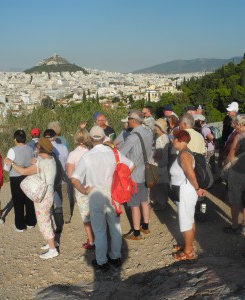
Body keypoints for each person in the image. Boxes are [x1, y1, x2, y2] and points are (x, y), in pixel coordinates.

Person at [71, 126, 134, 271]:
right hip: (113, 193)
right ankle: (115, 257)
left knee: (99, 230)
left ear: (90, 138)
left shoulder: (87, 156)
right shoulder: (114, 153)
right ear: (104, 137)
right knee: (115, 227)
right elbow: (131, 165)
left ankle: (101, 261)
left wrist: (84, 190)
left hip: (95, 194)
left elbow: (74, 179)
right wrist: (119, 180)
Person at [5, 138, 59, 259]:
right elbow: (40, 160)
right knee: (49, 216)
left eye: (37, 147)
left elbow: (24, 171)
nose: (35, 149)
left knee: (43, 220)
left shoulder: (43, 163)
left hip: (43, 194)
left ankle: (52, 249)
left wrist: (11, 163)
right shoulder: (51, 159)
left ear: (41, 149)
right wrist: (37, 160)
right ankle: (52, 241)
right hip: (49, 192)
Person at [170, 130, 205, 260]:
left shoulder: (184, 155)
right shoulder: (184, 152)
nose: (172, 141)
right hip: (184, 191)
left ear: (180, 140)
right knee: (189, 220)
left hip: (185, 191)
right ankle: (187, 245)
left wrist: (197, 188)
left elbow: (190, 174)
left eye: (174, 139)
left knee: (185, 222)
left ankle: (188, 252)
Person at [120, 110, 153, 241]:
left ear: (133, 120)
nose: (127, 122)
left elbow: (121, 154)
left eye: (128, 119)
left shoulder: (132, 137)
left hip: (134, 175)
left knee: (134, 205)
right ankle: (145, 226)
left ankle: (136, 233)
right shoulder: (148, 133)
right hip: (146, 172)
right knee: (144, 201)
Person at [222, 115, 245, 234]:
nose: (233, 126)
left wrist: (224, 165)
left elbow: (231, 155)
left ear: (240, 124)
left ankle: (235, 225)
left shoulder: (239, 137)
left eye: (235, 124)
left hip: (236, 171)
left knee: (234, 199)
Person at [66, 128, 95, 250]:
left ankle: (92, 240)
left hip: (81, 187)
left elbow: (70, 174)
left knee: (86, 216)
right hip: (94, 186)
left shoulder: (72, 154)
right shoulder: (92, 152)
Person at [5, 130, 36, 232]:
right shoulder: (31, 148)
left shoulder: (12, 150)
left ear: (15, 139)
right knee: (29, 199)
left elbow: (7, 167)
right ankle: (31, 222)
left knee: (18, 202)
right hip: (29, 175)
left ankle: (20, 226)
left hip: (16, 177)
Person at [44, 129, 70, 227]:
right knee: (65, 196)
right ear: (55, 136)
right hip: (62, 176)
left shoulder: (44, 149)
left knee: (51, 197)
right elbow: (67, 161)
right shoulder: (63, 147)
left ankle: (52, 216)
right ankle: (67, 217)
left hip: (51, 178)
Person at [150, 118, 170, 211]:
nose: (154, 128)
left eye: (156, 126)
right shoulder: (165, 137)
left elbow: (158, 154)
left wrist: (151, 153)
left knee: (159, 186)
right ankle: (163, 202)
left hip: (158, 165)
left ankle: (161, 203)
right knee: (162, 185)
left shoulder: (159, 139)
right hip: (163, 164)